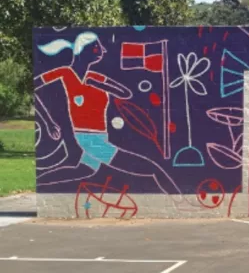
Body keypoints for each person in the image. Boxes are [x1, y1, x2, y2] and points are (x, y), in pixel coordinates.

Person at [35, 31, 198, 209]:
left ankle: (41, 181)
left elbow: (125, 93)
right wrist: (49, 122)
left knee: (82, 170)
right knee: (152, 169)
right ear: (84, 50)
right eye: (97, 47)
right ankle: (183, 205)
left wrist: (99, 84)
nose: (103, 51)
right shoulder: (65, 73)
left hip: (99, 137)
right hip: (90, 140)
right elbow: (35, 87)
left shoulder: (95, 77)